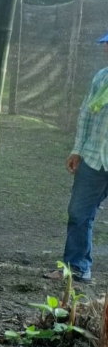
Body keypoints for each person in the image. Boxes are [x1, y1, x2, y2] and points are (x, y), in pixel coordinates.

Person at [46, 33, 108, 285]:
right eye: (105, 45)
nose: (105, 49)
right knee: (79, 212)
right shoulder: (101, 77)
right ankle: (76, 268)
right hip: (94, 157)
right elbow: (85, 115)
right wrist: (77, 150)